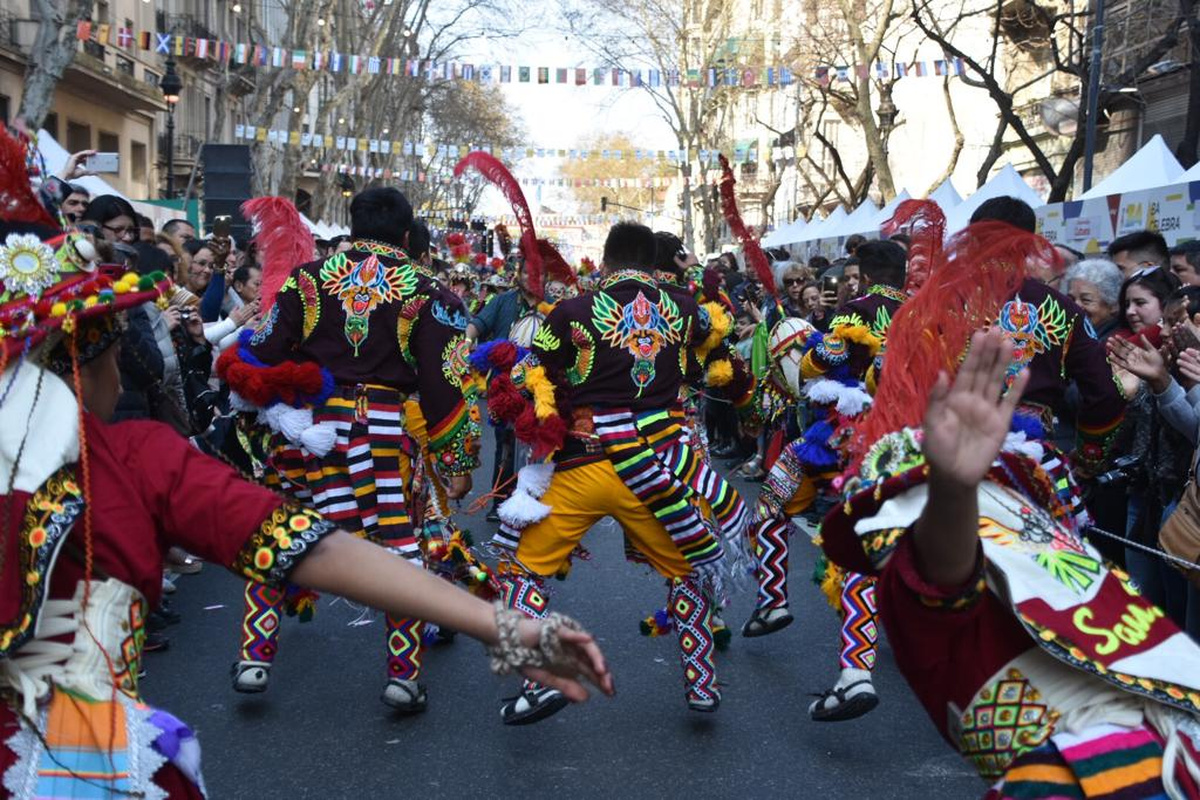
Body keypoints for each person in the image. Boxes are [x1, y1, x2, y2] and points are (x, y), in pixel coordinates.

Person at [820, 327, 1200, 798]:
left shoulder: (1022, 520)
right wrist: (952, 491)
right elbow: (943, 572)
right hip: (1097, 777)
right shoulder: (911, 574)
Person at [216, 187, 482, 713]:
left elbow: (263, 350)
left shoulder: (305, 282)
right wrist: (458, 462)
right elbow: (446, 390)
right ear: (407, 236)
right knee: (399, 553)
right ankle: (402, 677)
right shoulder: (433, 295)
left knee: (280, 534)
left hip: (309, 430)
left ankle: (254, 657)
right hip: (382, 431)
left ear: (353, 227)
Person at [482, 222, 735, 723]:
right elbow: (711, 349)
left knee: (522, 567)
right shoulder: (683, 306)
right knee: (687, 571)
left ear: (606, 260)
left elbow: (537, 375)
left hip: (586, 464)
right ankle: (702, 684)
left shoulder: (573, 311)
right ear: (651, 259)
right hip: (658, 468)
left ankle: (539, 680)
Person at [743, 239, 909, 722]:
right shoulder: (929, 318)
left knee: (774, 504)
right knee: (873, 548)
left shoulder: (853, 313)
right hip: (918, 446)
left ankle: (779, 604)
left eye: (853, 277)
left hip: (847, 443)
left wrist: (808, 356)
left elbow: (818, 370)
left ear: (866, 275)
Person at [1063, 257, 1123, 339]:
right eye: (1071, 299)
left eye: (1086, 300)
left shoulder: (1116, 343)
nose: (1075, 306)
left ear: (1113, 304)